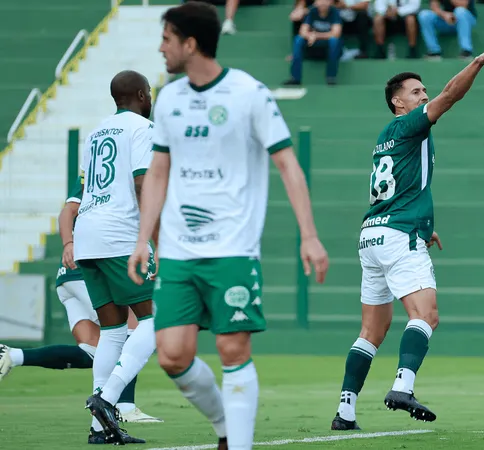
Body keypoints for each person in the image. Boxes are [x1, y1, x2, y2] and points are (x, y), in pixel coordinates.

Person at [127, 3, 330, 450]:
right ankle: (225, 427)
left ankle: (238, 443)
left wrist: (310, 235)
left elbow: (287, 164)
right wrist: (143, 239)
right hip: (179, 251)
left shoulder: (249, 93)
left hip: (233, 248)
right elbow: (158, 172)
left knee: (232, 351)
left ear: (190, 43)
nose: (161, 48)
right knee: (172, 356)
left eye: (167, 38)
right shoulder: (170, 98)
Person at [330, 39, 484, 431]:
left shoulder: (385, 137)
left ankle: (345, 412)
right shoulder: (410, 125)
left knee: (371, 332)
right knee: (426, 315)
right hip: (397, 234)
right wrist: (477, 63)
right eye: (416, 92)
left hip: (374, 235)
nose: (424, 95)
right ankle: (402, 386)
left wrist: (423, 227)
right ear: (399, 103)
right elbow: (450, 96)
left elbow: (400, 189)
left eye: (423, 90)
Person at [0, 195, 161, 443]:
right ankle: (124, 406)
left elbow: (69, 210)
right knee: (138, 326)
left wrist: (68, 244)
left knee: (92, 350)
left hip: (72, 270)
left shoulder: (91, 165)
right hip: (103, 253)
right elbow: (70, 210)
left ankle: (14, 355)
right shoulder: (127, 159)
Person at [74, 70, 158, 445]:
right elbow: (143, 182)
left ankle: (99, 427)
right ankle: (108, 400)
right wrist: (154, 237)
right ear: (141, 94)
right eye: (150, 93)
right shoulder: (141, 127)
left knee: (113, 329)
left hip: (86, 234)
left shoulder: (95, 132)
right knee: (161, 317)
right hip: (118, 235)